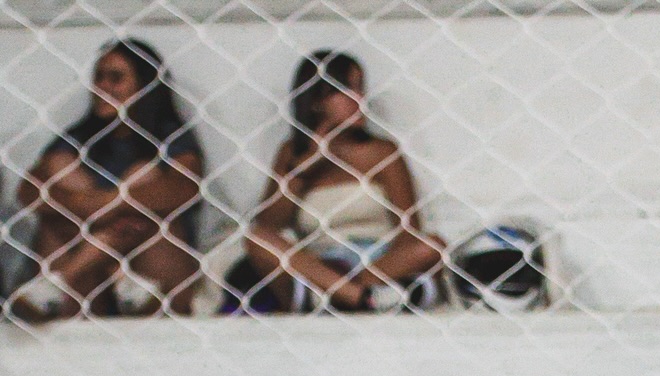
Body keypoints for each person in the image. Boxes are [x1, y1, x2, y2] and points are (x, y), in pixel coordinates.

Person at [234, 50, 444, 314]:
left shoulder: (382, 152)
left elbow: (409, 231)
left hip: (378, 264)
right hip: (318, 265)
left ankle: (344, 295)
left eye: (361, 87)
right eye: (345, 89)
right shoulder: (292, 153)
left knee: (433, 245)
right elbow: (269, 226)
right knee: (256, 239)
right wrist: (305, 168)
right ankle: (358, 298)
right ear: (315, 101)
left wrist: (378, 269)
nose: (359, 99)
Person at [9, 40, 203, 322]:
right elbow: (29, 189)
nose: (103, 86)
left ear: (145, 85)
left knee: (143, 175)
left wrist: (110, 202)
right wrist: (90, 207)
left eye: (116, 78)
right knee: (58, 169)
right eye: (98, 77)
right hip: (96, 267)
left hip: (151, 262)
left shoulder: (169, 136)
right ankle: (115, 273)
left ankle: (58, 282)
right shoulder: (80, 136)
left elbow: (183, 188)